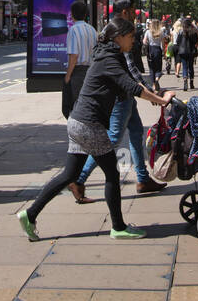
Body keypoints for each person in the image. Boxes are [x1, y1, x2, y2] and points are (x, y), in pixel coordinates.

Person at [17, 17, 175, 242]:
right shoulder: (109, 59)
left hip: (78, 122)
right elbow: (131, 87)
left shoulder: (110, 55)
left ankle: (29, 214)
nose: (134, 41)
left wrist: (156, 95)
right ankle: (118, 227)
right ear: (118, 37)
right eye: (131, 37)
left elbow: (132, 81)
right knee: (112, 173)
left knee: (69, 175)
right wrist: (161, 101)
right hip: (89, 124)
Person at [71, 0, 165, 201]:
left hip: (126, 96)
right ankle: (78, 179)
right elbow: (129, 70)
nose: (135, 14)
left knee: (136, 132)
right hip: (119, 96)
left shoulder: (119, 30)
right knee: (112, 139)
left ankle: (142, 178)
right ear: (125, 11)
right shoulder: (119, 33)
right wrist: (150, 92)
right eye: (132, 11)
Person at [63, 0, 97, 120]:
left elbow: (74, 55)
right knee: (87, 104)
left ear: (72, 14)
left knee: (76, 105)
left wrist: (68, 75)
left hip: (78, 72)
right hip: (91, 71)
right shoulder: (92, 30)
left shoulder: (73, 30)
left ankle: (78, 132)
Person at [174, 17, 198, 91]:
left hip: (182, 52)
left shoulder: (181, 32)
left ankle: (185, 80)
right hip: (191, 51)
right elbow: (196, 41)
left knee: (184, 67)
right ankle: (191, 82)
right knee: (191, 67)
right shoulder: (193, 32)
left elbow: (178, 42)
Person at [144, 19, 166, 93]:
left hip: (150, 50)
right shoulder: (161, 32)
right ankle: (157, 79)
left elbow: (144, 41)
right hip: (158, 50)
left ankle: (153, 84)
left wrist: (146, 43)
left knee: (151, 68)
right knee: (158, 67)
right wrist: (164, 53)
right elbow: (162, 44)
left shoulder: (148, 32)